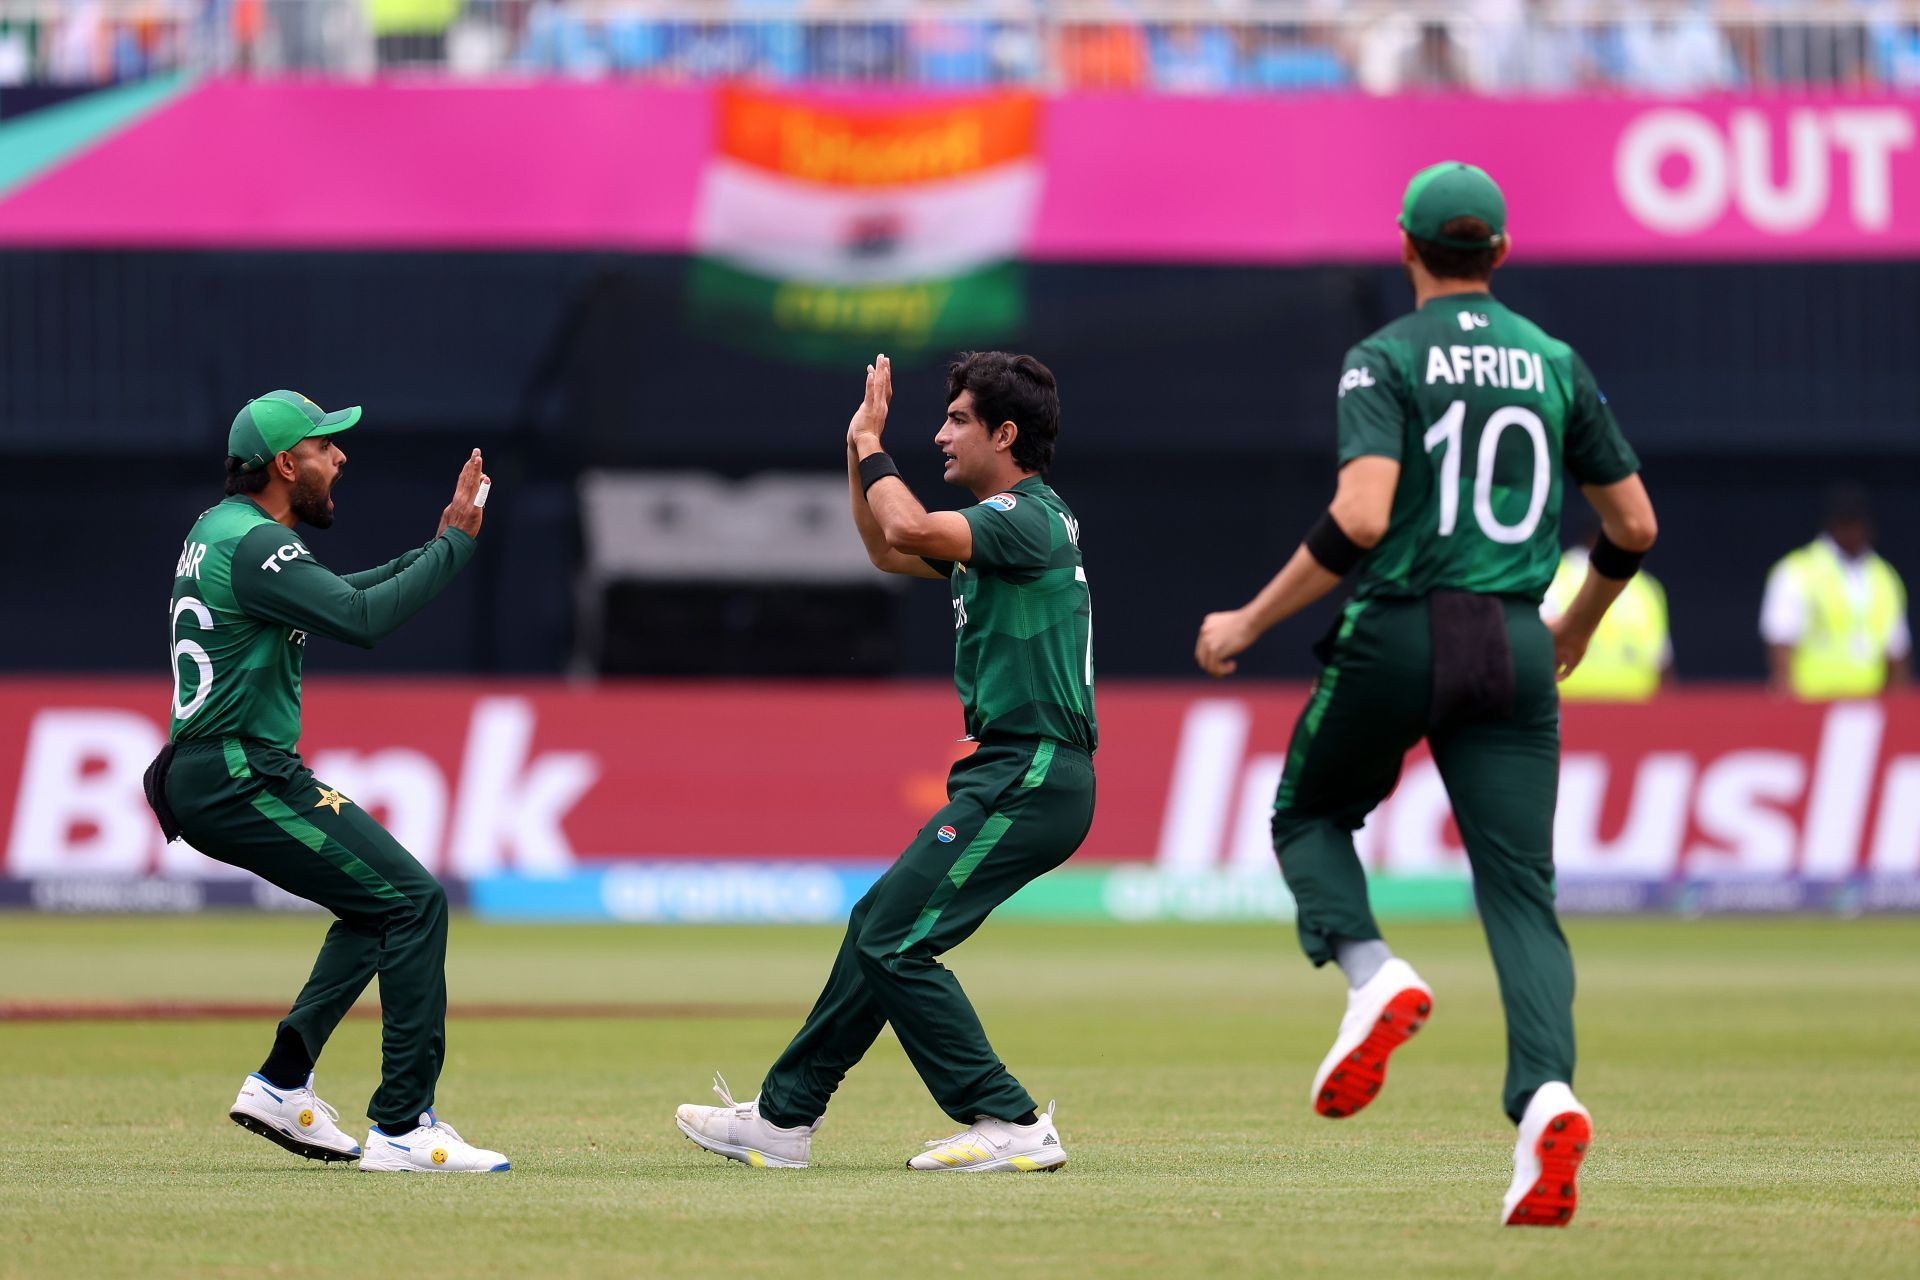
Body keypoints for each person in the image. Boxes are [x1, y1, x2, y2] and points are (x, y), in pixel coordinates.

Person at [1194, 163, 1658, 1226]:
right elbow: (1632, 526)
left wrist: (1251, 620)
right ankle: (1547, 1096)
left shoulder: (1385, 356)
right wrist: (1575, 625)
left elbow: (1360, 518)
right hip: (1514, 639)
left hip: (1406, 622)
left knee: (1308, 811)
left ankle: (1371, 973)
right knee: (1519, 891)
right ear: (1498, 254)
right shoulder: (1553, 361)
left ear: (1406, 246)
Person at [675, 351, 1095, 1173]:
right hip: (1014, 771)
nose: (939, 434)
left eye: (958, 420)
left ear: (1005, 433)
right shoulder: (1006, 527)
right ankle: (784, 1119)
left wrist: (876, 448)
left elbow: (904, 524)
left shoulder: (1023, 516)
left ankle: (1009, 1122)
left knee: (896, 938)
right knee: (879, 927)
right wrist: (854, 444)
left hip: (1032, 769)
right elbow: (884, 549)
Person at [145, 390, 509, 1174]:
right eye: (322, 447)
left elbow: (345, 596)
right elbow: (363, 619)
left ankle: (281, 1084)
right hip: (238, 768)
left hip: (215, 768)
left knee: (375, 906)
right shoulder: (258, 545)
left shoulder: (224, 532)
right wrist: (457, 550)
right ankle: (405, 1128)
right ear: (284, 463)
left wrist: (436, 543)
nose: (338, 457)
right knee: (415, 900)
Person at [1761, 487, 1911, 698]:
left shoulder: (1884, 576)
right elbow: (1781, 638)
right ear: (1832, 525)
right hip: (1811, 702)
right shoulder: (1797, 570)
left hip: (1868, 706)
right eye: (1845, 523)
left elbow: (1897, 651)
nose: (1852, 531)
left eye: (1857, 523)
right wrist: (1786, 697)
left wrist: (1899, 708)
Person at [1540, 517, 1671, 700]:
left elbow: (1661, 664)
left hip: (1620, 714)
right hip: (1586, 711)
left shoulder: (1554, 575)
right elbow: (1664, 671)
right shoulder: (1646, 589)